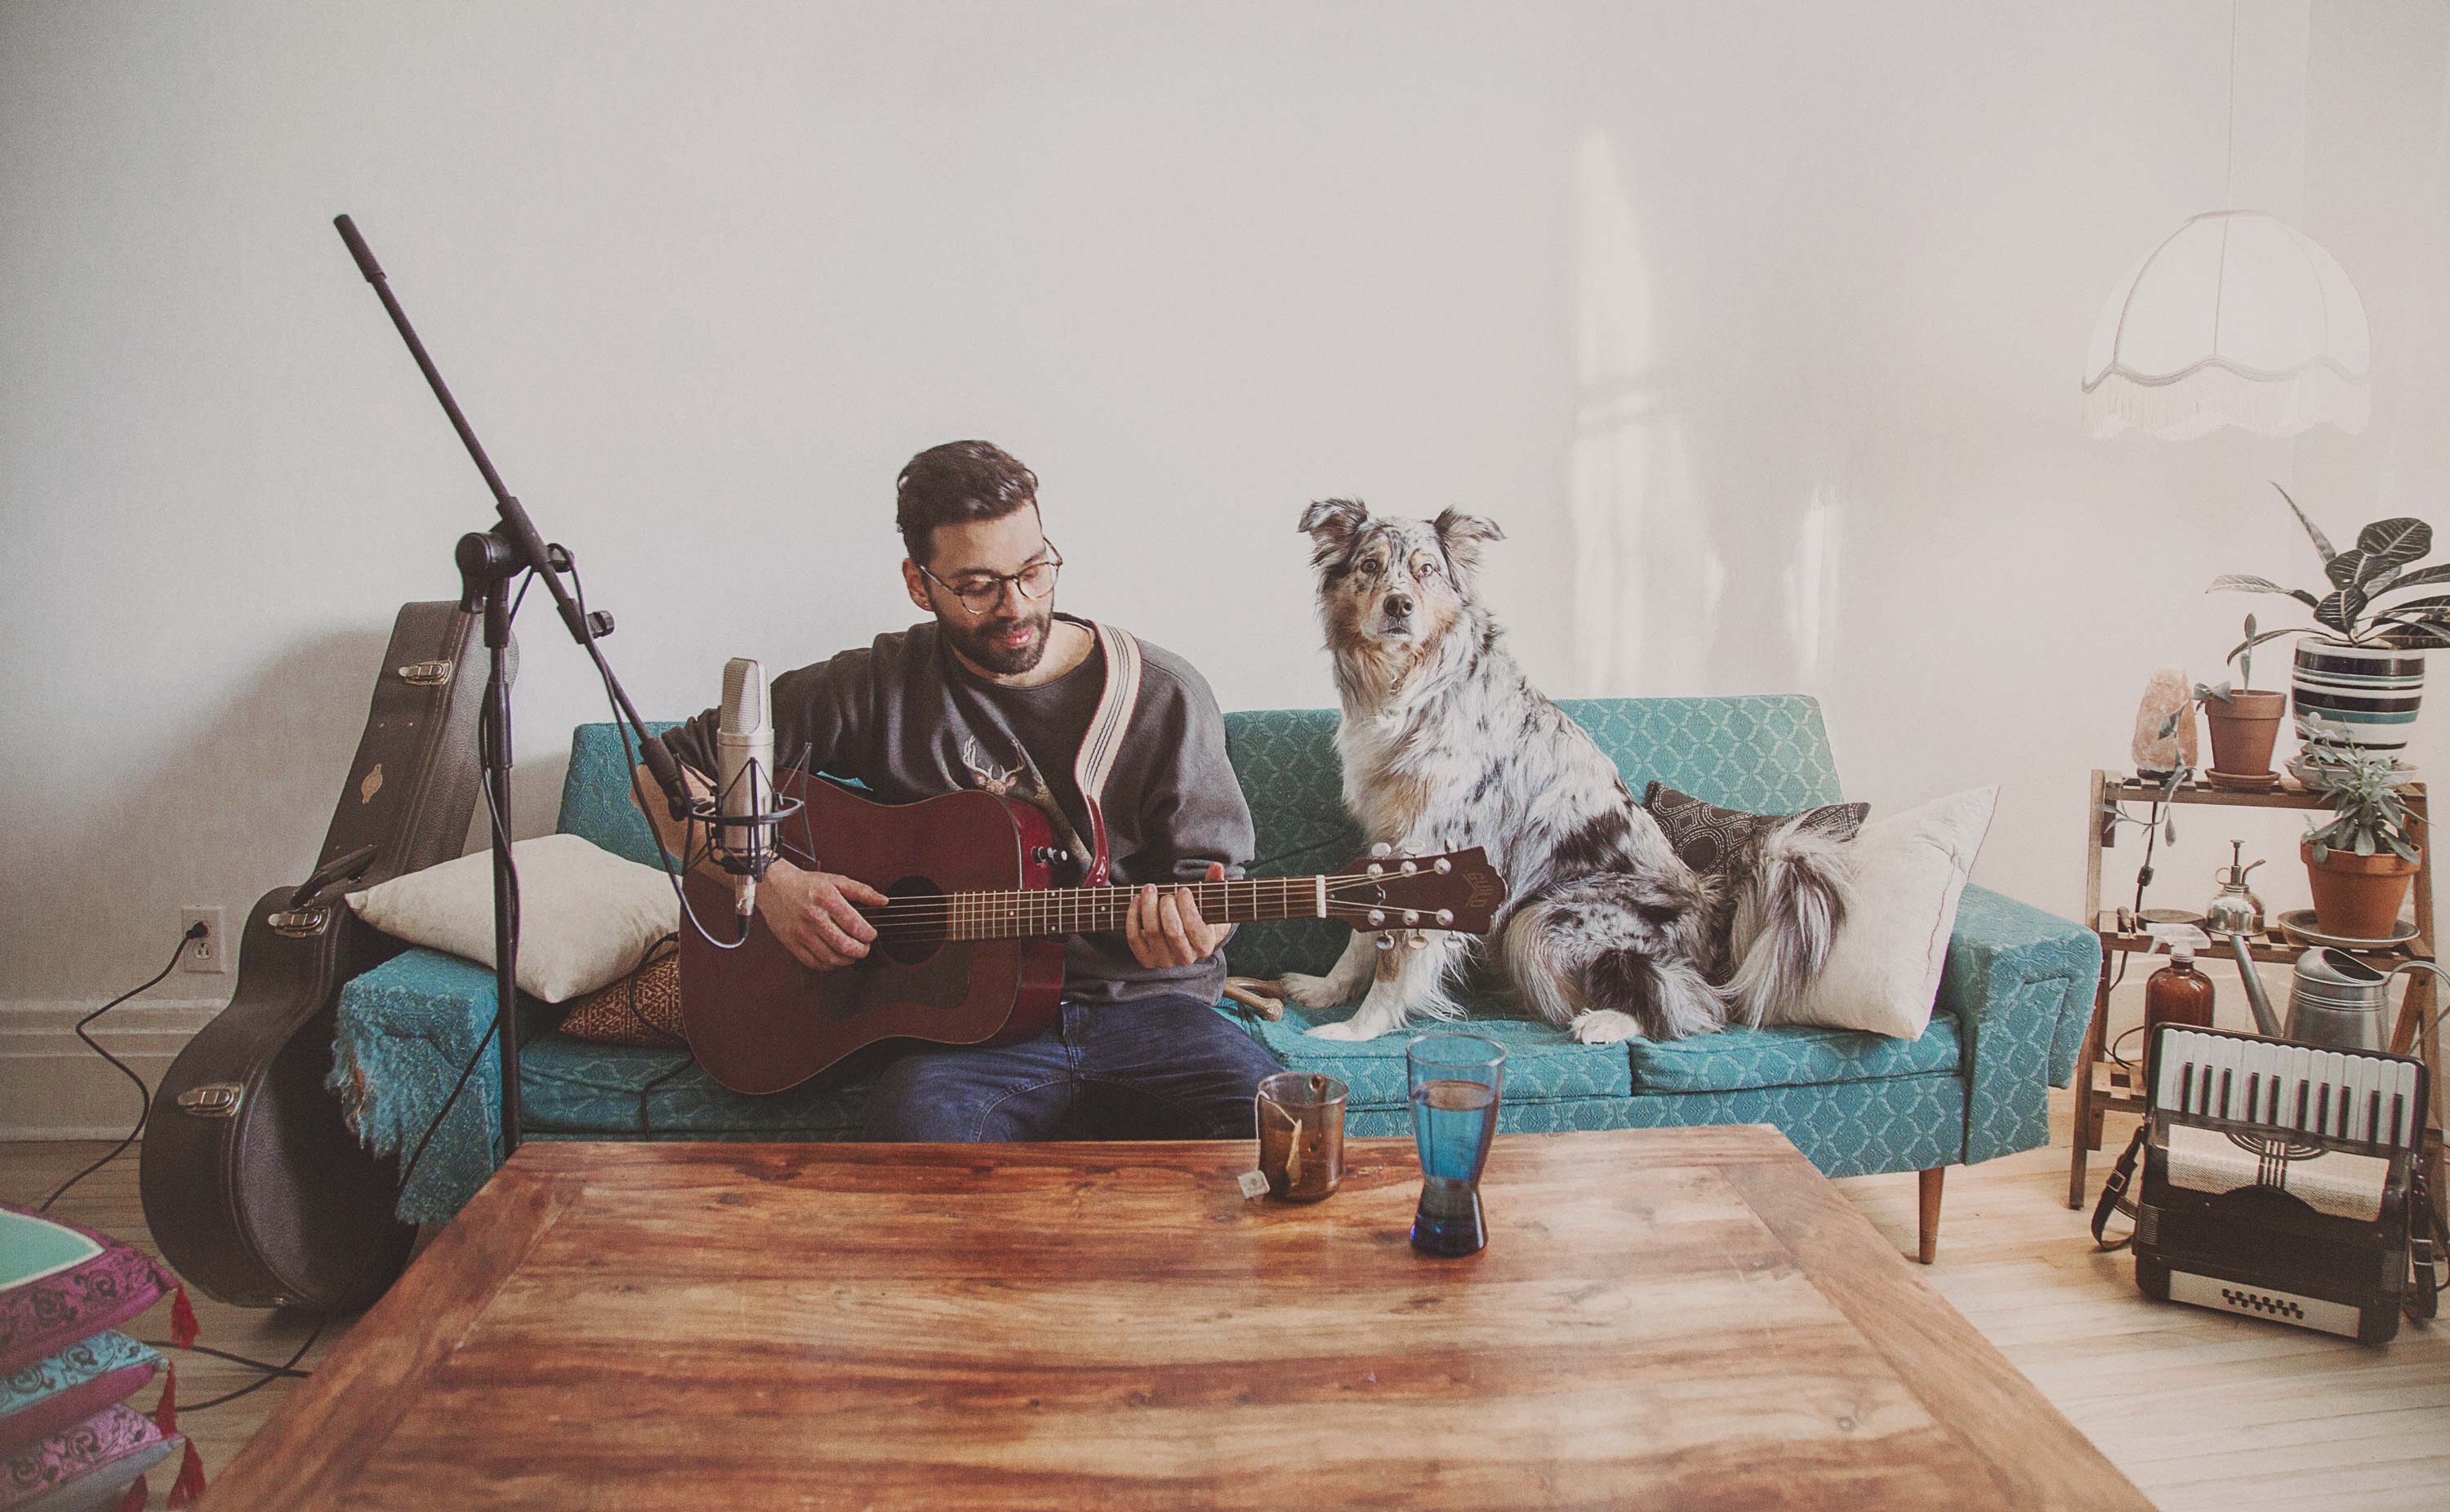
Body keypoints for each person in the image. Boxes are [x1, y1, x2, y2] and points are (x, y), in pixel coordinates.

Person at [643, 440, 1284, 1141]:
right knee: (916, 1149)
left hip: (1149, 1014)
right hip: (969, 1037)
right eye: (977, 586)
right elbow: (662, 773)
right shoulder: (876, 686)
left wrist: (1194, 931)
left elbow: (1211, 887)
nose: (1017, 607)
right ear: (920, 584)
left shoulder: (1165, 695)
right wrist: (770, 879)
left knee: (1278, 1126)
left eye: (1034, 571)